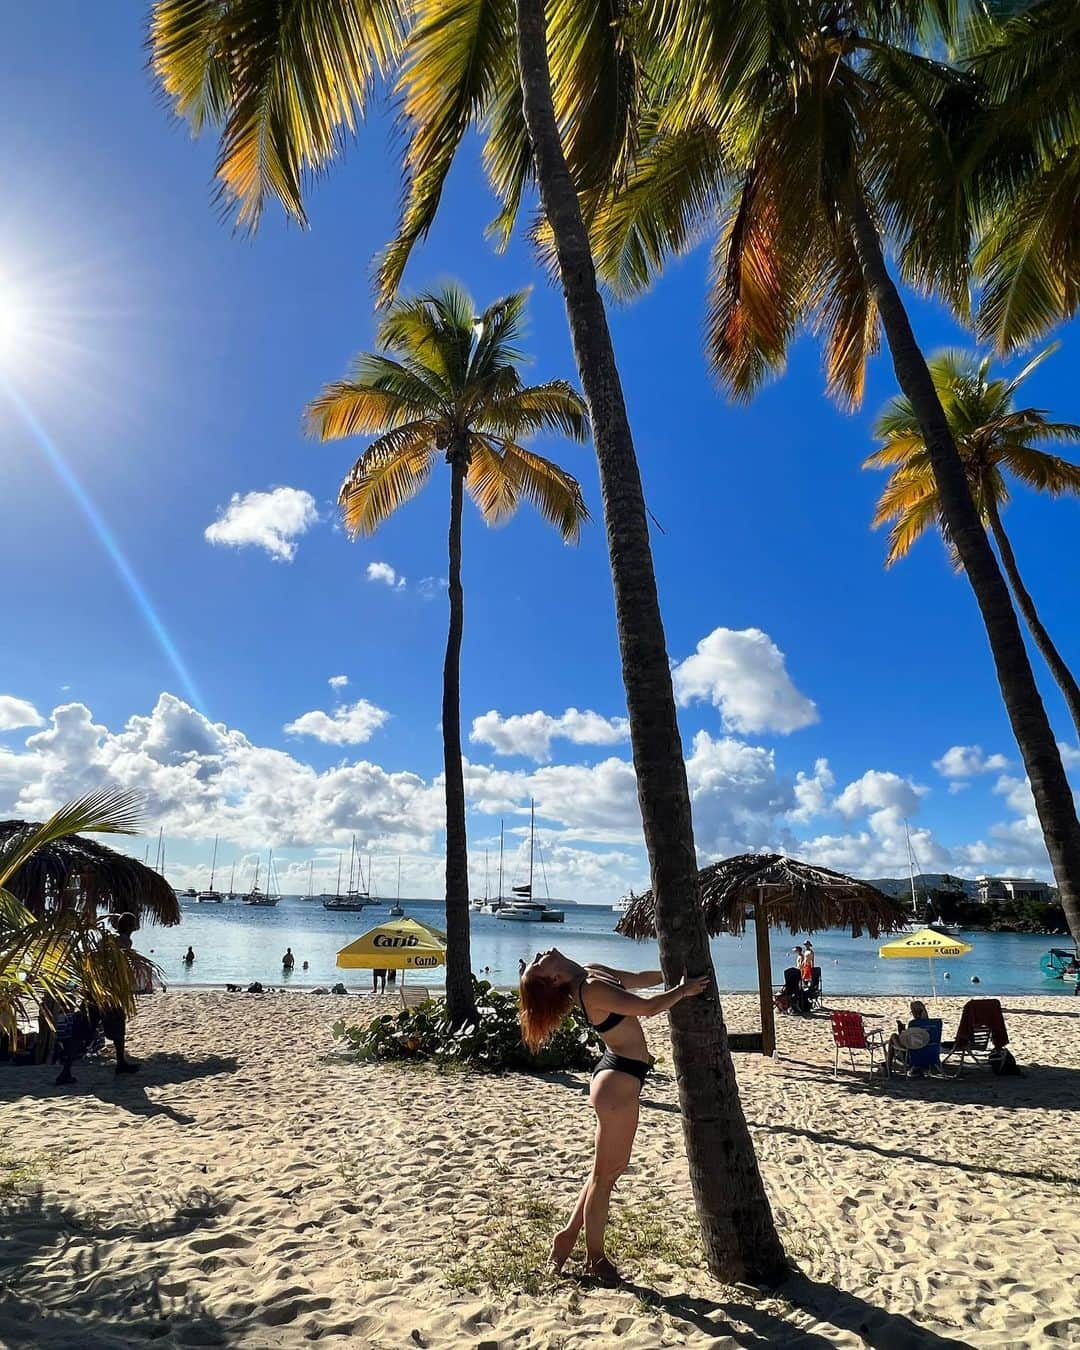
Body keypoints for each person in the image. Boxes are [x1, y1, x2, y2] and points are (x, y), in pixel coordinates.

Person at [519, 948, 708, 1284]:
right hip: (617, 1083)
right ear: (553, 978)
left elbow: (635, 982)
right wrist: (683, 990)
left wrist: (671, 974)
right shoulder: (590, 988)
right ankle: (596, 1259)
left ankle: (566, 1237)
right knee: (605, 1178)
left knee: (603, 1173)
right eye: (537, 965)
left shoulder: (589, 971)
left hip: (618, 1074)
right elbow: (648, 1009)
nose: (538, 955)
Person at [886, 999, 930, 1075]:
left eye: (912, 1011)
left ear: (915, 1012)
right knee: (895, 1038)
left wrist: (901, 1030)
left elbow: (907, 1041)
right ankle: (888, 1065)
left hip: (912, 1055)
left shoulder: (914, 1024)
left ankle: (888, 1066)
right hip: (929, 1054)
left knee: (893, 1036)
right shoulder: (933, 1024)